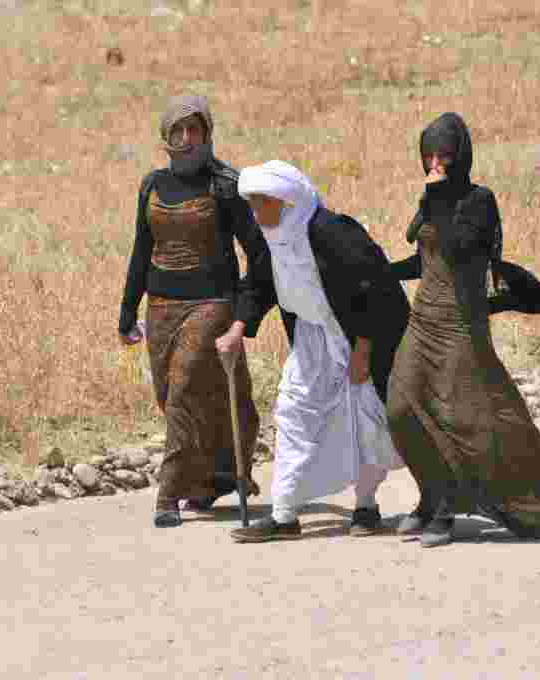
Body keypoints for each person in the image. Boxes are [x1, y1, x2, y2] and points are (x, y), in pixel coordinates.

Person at [386, 112, 540, 548]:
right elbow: (426, 257)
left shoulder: (478, 200)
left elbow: (458, 249)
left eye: (445, 156)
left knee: (459, 420)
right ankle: (430, 493)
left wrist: (436, 199)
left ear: (462, 157)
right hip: (423, 321)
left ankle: (449, 508)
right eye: (428, 156)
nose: (436, 165)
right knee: (400, 409)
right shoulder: (431, 197)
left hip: (459, 326)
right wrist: (383, 271)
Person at [216, 160, 410, 543]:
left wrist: (364, 351)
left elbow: (375, 288)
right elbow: (257, 285)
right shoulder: (271, 237)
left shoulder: (332, 233)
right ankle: (284, 515)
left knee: (364, 418)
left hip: (355, 336)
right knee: (293, 412)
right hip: (310, 337)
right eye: (251, 205)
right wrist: (237, 329)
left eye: (262, 204)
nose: (255, 214)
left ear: (286, 201)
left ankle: (366, 506)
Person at [117, 94, 269, 528]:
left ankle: (169, 495)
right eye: (178, 131)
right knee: (171, 398)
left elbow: (258, 254)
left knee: (183, 389)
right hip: (161, 307)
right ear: (166, 137)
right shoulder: (152, 185)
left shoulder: (225, 186)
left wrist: (241, 314)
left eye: (195, 130)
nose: (188, 139)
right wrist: (127, 312)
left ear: (207, 134)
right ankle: (209, 480)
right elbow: (142, 251)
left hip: (211, 305)